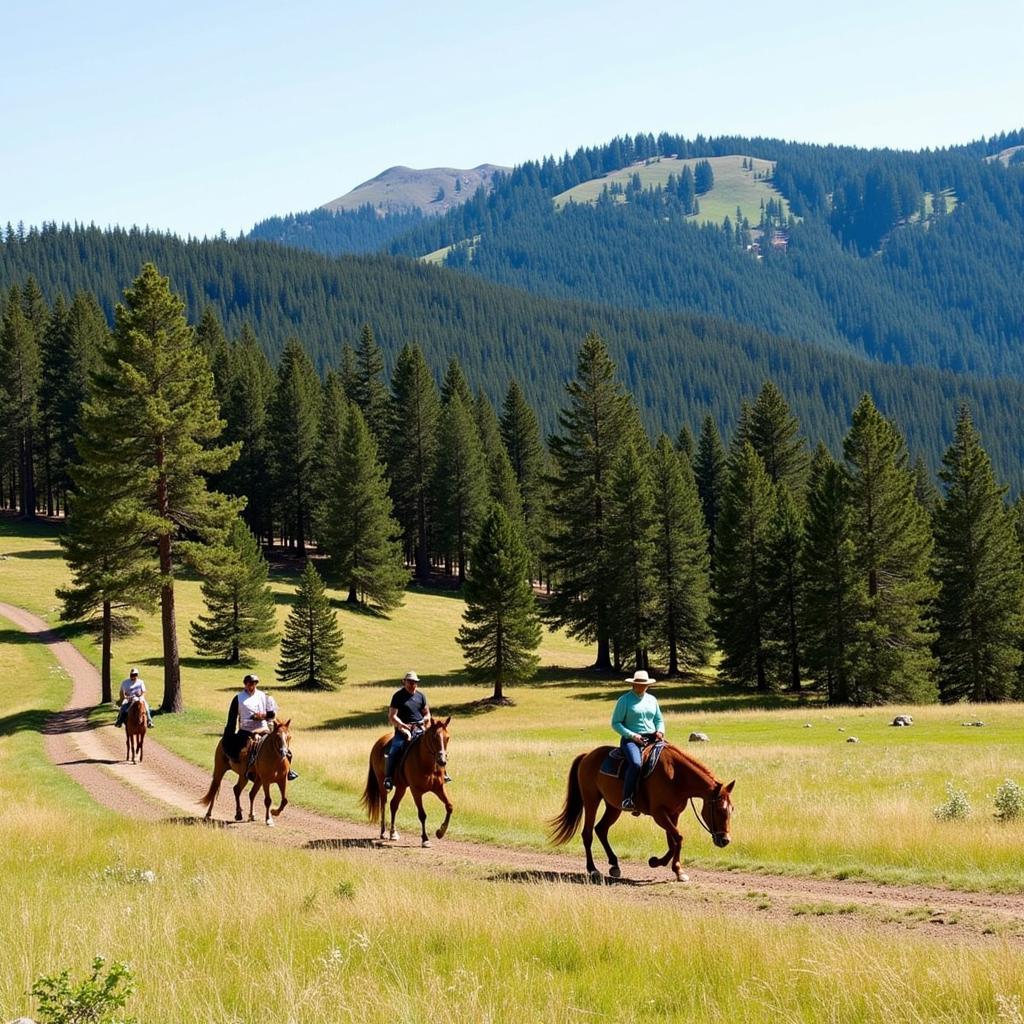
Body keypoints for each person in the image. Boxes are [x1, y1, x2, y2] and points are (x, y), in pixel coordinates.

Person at [223, 673, 298, 781]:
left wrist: (262, 716)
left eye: (254, 683)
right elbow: (232, 718)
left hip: (263, 728)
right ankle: (249, 770)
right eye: (249, 684)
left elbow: (272, 714)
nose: (252, 686)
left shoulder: (264, 696)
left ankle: (288, 771)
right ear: (245, 684)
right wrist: (230, 733)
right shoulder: (238, 698)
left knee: (282, 744)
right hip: (246, 730)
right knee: (248, 749)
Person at [610, 669, 665, 810]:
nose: (642, 686)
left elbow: (659, 719)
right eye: (639, 684)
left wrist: (660, 731)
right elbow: (616, 723)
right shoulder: (624, 700)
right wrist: (632, 735)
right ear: (633, 684)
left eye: (645, 684)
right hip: (631, 740)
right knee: (636, 764)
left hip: (653, 738)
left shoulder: (652, 700)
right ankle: (627, 798)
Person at [383, 670, 432, 791]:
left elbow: (427, 714)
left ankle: (442, 774)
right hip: (403, 729)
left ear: (417, 683)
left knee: (434, 747)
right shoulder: (398, 696)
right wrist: (402, 725)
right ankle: (388, 778)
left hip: (419, 728)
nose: (411, 684)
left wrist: (423, 720)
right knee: (395, 749)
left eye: (414, 682)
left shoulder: (421, 696)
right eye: (409, 682)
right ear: (404, 682)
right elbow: (392, 715)